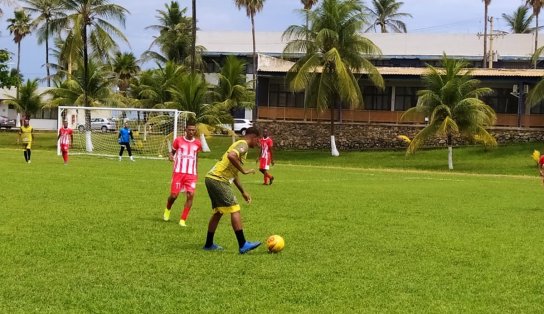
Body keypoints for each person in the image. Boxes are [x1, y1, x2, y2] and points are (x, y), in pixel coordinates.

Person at [203, 126, 261, 254]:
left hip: (211, 178)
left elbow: (233, 174)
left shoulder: (239, 146)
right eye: (258, 140)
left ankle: (208, 244)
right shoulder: (243, 144)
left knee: (218, 212)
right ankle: (243, 244)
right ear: (254, 137)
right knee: (235, 209)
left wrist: (243, 192)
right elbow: (231, 156)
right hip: (218, 179)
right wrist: (244, 170)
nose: (258, 143)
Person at [163, 122, 202, 227]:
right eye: (189, 130)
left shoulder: (198, 143)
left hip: (191, 174)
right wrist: (170, 156)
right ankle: (168, 209)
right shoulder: (178, 141)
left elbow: (196, 156)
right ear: (186, 130)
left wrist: (196, 170)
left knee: (191, 195)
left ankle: (182, 220)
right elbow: (172, 152)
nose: (191, 132)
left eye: (193, 130)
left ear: (195, 131)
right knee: (174, 195)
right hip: (179, 172)